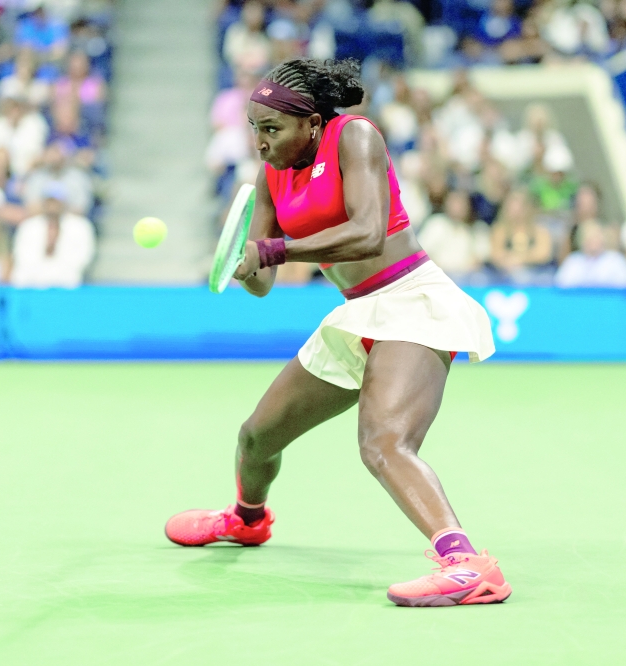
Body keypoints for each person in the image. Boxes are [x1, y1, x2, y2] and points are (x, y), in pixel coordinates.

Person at [164, 59, 512, 608]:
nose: (260, 141)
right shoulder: (270, 174)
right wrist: (243, 262)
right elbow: (264, 283)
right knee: (256, 437)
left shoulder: (355, 136)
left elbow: (369, 232)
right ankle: (248, 520)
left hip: (411, 299)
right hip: (355, 314)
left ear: (312, 123)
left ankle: (469, 565)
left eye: (271, 129)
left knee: (383, 443)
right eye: (254, 129)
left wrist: (271, 250)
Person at [10, 181, 94, 288]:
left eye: (57, 201)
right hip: (33, 277)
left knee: (72, 277)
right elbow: (21, 257)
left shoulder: (80, 227)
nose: (53, 205)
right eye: (50, 201)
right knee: (19, 276)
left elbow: (83, 259)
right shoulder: (29, 226)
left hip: (66, 277)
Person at [489, 187, 554, 283]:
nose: (516, 210)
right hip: (505, 273)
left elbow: (544, 253)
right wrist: (509, 262)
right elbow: (495, 254)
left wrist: (520, 259)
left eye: (520, 205)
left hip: (535, 272)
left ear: (527, 207)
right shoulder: (500, 230)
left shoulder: (539, 230)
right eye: (512, 205)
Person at [555, 220, 626, 287]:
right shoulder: (573, 261)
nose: (593, 242)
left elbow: (625, 285)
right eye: (589, 238)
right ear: (581, 240)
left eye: (596, 237)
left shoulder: (615, 260)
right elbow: (561, 285)